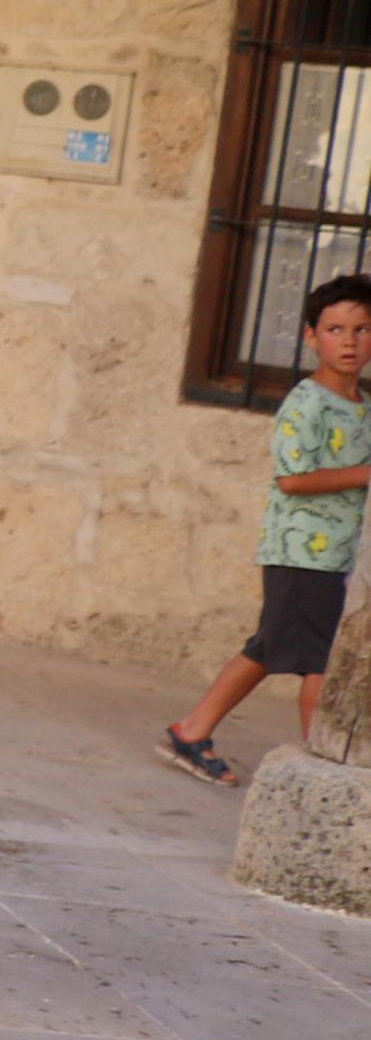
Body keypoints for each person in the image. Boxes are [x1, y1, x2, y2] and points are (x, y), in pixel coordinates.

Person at [161, 275, 371, 785]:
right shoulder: (306, 403)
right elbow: (292, 479)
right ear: (310, 336)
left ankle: (193, 730)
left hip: (338, 554)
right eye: (335, 329)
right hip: (303, 552)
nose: (348, 341)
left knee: (268, 646)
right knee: (320, 662)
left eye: (362, 329)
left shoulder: (361, 401)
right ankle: (322, 775)